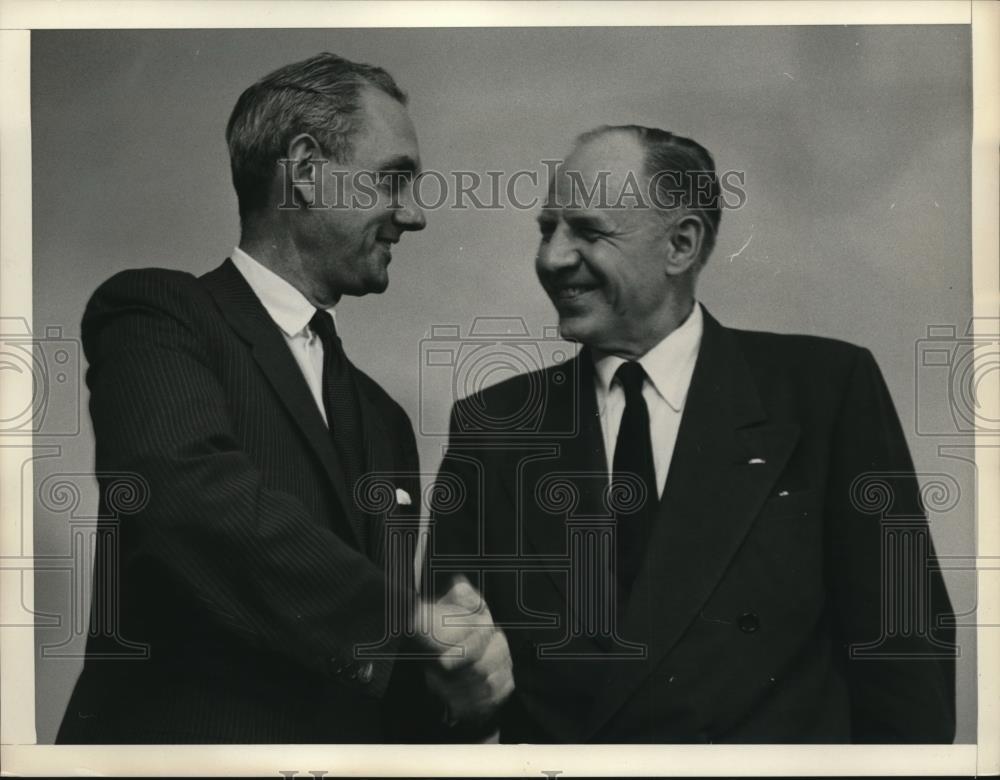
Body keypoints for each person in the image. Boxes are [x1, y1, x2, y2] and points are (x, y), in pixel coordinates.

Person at [430, 124, 956, 743]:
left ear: (681, 245)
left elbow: (906, 669)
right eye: (548, 229)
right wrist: (458, 697)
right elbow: (439, 684)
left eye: (588, 231)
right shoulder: (493, 427)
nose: (552, 258)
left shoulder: (825, 394)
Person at [57, 52, 509, 744]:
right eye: (394, 180)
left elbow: (369, 672)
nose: (414, 216)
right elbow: (185, 496)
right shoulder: (157, 315)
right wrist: (407, 619)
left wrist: (459, 697)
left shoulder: (383, 421)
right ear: (304, 169)